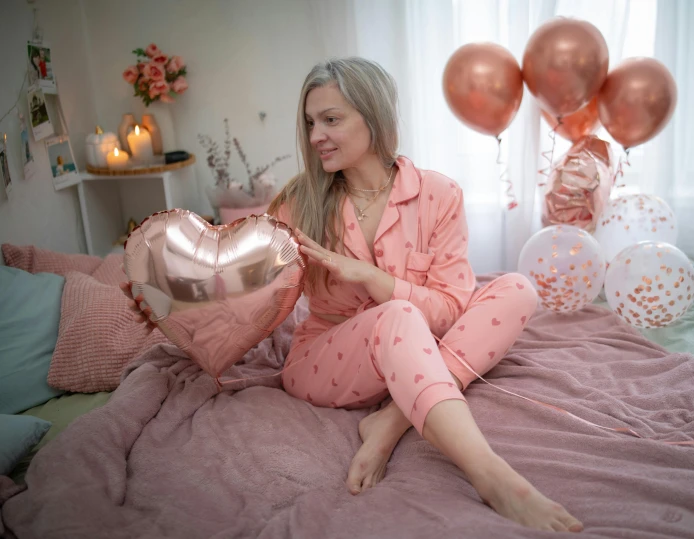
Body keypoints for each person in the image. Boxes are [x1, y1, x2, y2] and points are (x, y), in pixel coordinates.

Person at [121, 57, 583, 533]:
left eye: (331, 119)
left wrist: (369, 276)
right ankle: (493, 477)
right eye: (310, 122)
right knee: (399, 313)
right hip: (327, 359)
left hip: (418, 344)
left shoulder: (439, 195)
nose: (315, 134)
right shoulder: (298, 203)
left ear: (374, 117)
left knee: (516, 289)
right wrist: (170, 298)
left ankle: (393, 420)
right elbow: (237, 286)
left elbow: (449, 310)